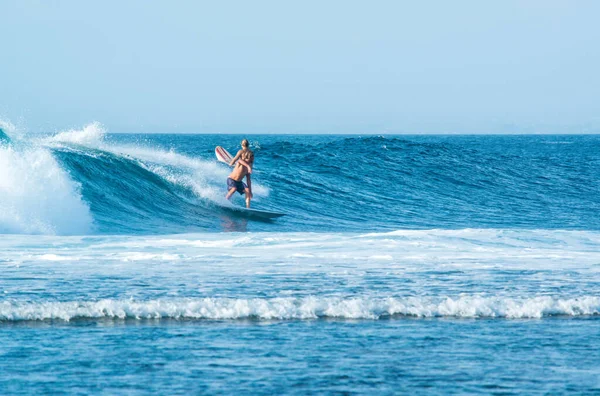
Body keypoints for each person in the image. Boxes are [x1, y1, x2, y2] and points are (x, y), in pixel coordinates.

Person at [226, 139, 254, 208]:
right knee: (234, 188)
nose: (251, 159)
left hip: (239, 182)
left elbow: (248, 180)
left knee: (247, 190)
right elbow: (238, 160)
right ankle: (225, 201)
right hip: (231, 180)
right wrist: (231, 163)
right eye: (250, 158)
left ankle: (248, 208)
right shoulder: (240, 162)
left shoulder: (249, 166)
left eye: (252, 158)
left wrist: (250, 191)